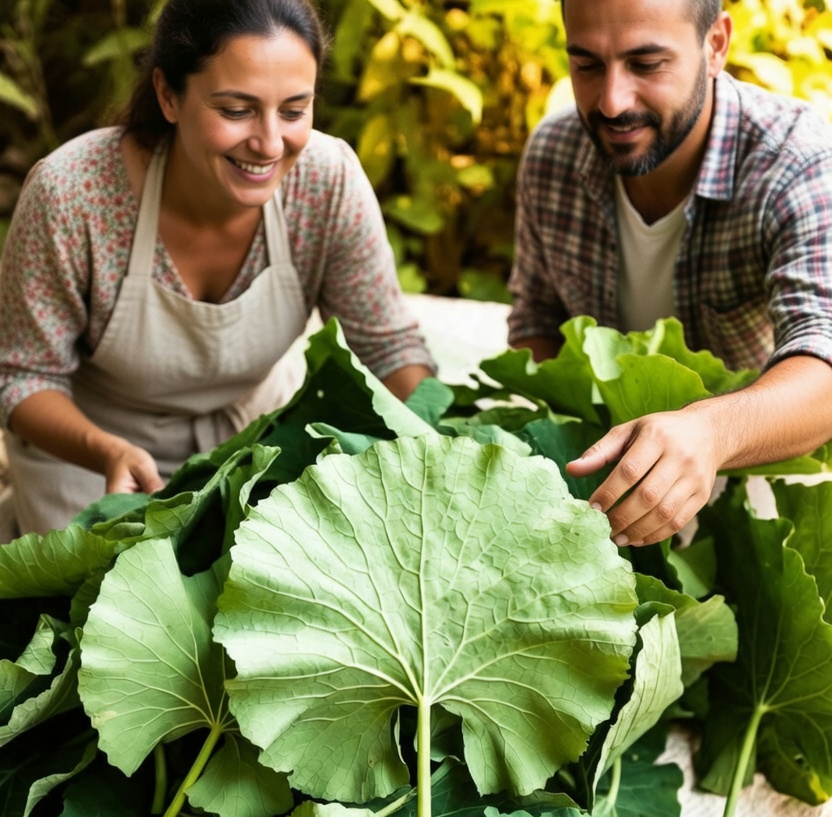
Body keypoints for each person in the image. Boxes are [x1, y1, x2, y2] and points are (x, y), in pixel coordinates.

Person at [0, 0, 435, 536]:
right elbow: (23, 378)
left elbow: (389, 349)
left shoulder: (326, 180)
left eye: (295, 110)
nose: (270, 143)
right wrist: (106, 450)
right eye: (236, 110)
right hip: (91, 464)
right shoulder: (73, 193)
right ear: (168, 95)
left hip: (255, 446)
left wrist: (438, 454)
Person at [508, 0, 832, 548]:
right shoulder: (553, 154)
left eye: (646, 64)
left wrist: (711, 431)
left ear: (716, 46)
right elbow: (537, 320)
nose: (612, 101)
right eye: (586, 65)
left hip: (754, 503)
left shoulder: (795, 163)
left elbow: (824, 362)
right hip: (604, 503)